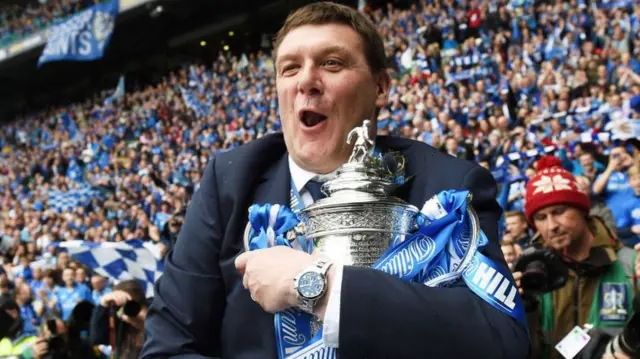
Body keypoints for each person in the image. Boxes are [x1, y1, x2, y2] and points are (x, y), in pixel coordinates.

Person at [141, 2, 529, 358]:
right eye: (289, 68)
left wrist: (322, 287)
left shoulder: (448, 185)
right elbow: (169, 347)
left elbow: (501, 340)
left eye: (331, 63)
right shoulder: (228, 184)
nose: (305, 81)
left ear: (380, 87)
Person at [514, 156, 639, 359]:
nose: (551, 225)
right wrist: (521, 309)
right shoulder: (531, 276)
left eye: (559, 211)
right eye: (541, 217)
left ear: (582, 210)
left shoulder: (630, 265)